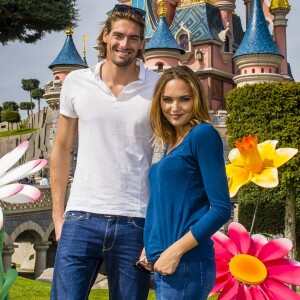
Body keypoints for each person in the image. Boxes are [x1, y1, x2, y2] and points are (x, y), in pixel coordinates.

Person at [50, 4, 160, 300]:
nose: (125, 44)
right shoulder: (76, 82)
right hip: (81, 218)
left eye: (134, 38)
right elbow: (61, 149)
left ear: (141, 43)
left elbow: (169, 156)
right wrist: (58, 217)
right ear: (106, 35)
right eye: (119, 36)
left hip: (136, 220)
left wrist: (158, 226)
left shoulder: (158, 87)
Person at [142, 66, 231, 300]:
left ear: (197, 99)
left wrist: (174, 251)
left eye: (184, 99)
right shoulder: (172, 143)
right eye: (167, 100)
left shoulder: (202, 135)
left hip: (186, 263)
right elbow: (162, 204)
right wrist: (151, 246)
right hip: (167, 263)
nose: (175, 107)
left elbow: (221, 209)